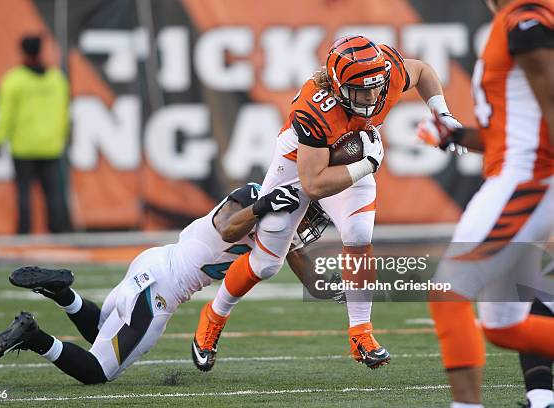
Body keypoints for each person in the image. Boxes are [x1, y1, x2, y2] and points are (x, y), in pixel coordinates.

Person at [192, 35, 462, 371]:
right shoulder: (314, 108)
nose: (372, 96)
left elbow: (421, 71)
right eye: (361, 90)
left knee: (360, 235)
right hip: (297, 167)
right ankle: (213, 316)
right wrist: (367, 164)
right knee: (266, 264)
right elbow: (312, 183)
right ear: (337, 87)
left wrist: (442, 114)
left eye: (376, 86)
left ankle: (361, 333)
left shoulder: (384, 74)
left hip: (346, 160)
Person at [0, 183, 334, 383]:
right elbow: (227, 228)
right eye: (308, 215)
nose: (306, 225)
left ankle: (62, 293)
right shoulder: (256, 197)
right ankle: (34, 336)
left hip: (153, 262)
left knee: (103, 328)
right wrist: (263, 207)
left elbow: (316, 283)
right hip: (162, 288)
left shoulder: (277, 232)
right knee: (97, 371)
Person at [416, 0, 554, 406]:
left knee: (448, 294)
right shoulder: (511, 21)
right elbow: (511, 132)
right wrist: (453, 136)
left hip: (528, 180)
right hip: (513, 176)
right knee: (503, 327)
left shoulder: (527, 20)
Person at [0, 35, 70, 234]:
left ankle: (24, 233)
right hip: (51, 145)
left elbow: (6, 113)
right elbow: (64, 112)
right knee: (53, 193)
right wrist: (64, 135)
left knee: (24, 193)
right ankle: (58, 232)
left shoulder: (14, 80)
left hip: (24, 146)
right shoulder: (56, 79)